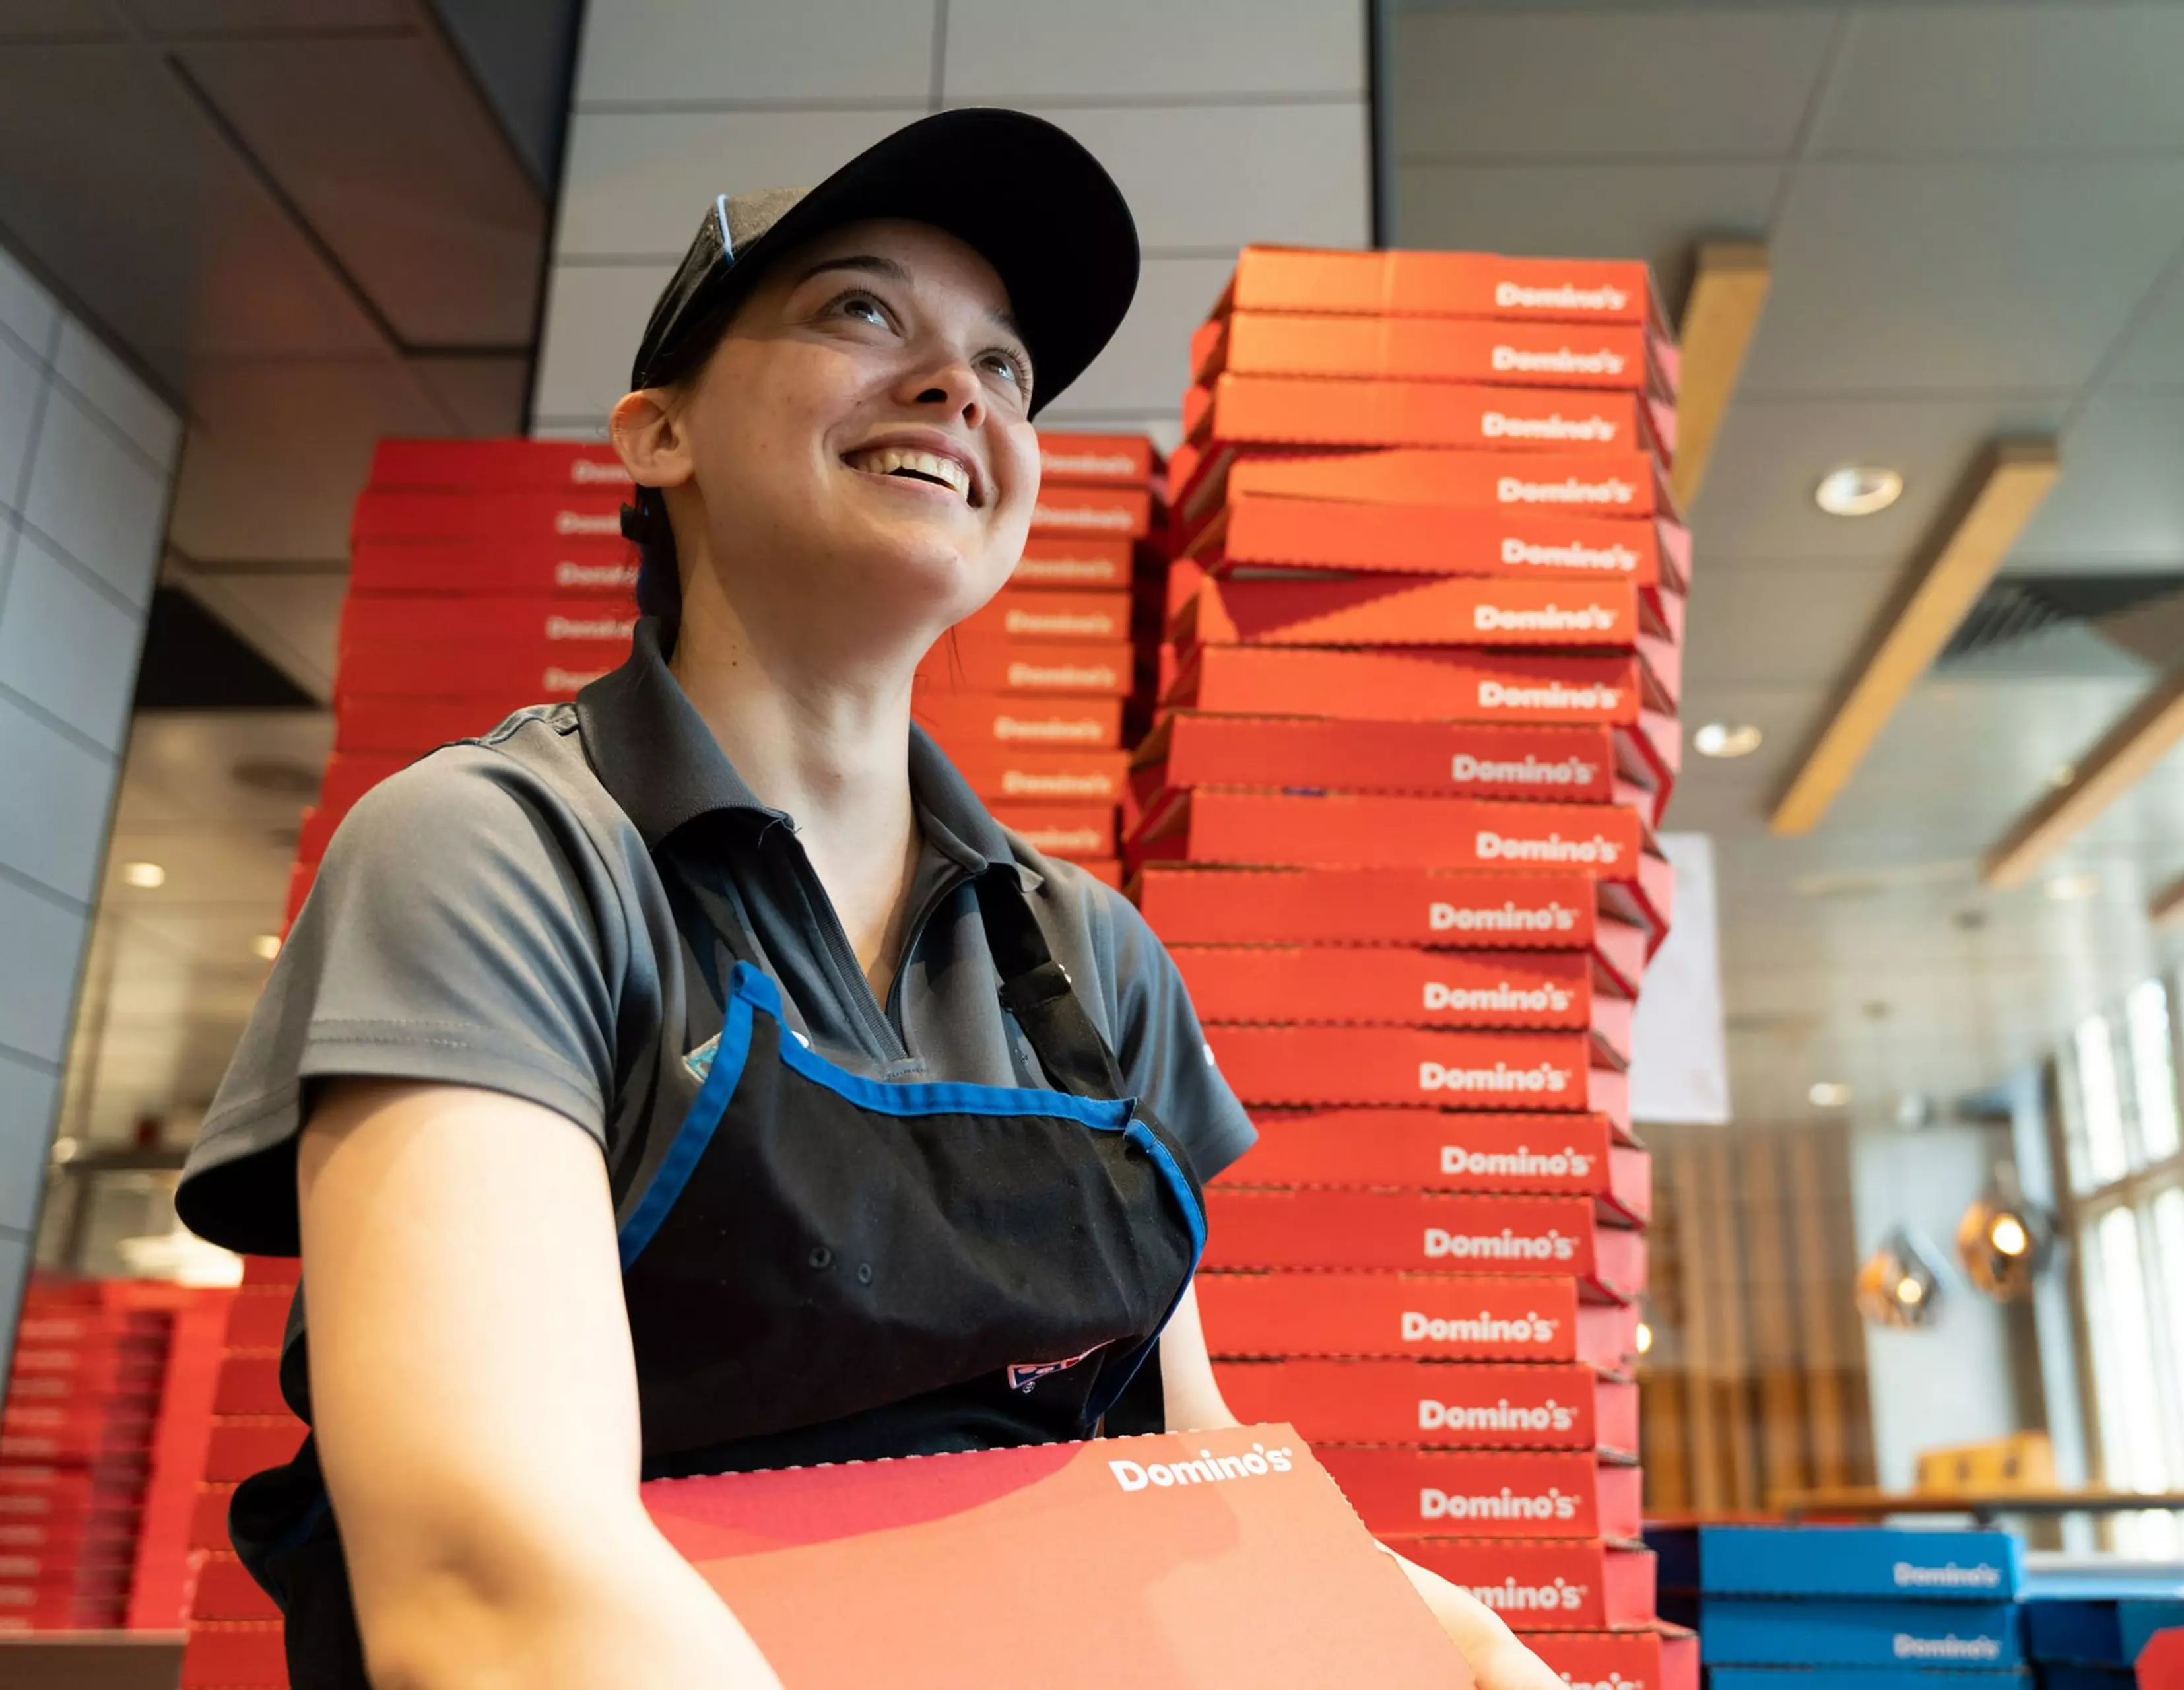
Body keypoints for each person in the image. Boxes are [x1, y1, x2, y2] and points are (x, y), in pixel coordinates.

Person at [174, 109, 1564, 1689]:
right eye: (860, 310)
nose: (957, 386)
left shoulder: (1087, 956)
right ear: (658, 435)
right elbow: (489, 1582)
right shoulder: (500, 857)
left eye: (1008, 366)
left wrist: (1452, 1641)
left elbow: (1195, 1484)